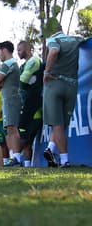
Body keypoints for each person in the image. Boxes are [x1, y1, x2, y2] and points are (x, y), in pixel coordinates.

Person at [42, 27, 84, 168]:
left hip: (54, 84)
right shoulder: (76, 39)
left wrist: (46, 72)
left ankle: (64, 159)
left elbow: (54, 51)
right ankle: (51, 148)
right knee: (63, 123)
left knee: (57, 124)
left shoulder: (53, 40)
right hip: (71, 85)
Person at [0, 41, 24, 167]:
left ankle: (16, 157)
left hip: (11, 99)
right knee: (9, 129)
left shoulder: (8, 64)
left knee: (12, 128)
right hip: (9, 99)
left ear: (4, 50)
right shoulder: (11, 64)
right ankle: (13, 157)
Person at [17, 40, 44, 167]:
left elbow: (21, 83)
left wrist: (23, 84)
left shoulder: (34, 61)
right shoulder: (22, 65)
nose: (18, 53)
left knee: (24, 134)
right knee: (27, 140)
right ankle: (27, 166)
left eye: (20, 50)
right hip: (26, 104)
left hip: (35, 106)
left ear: (27, 50)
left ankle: (15, 156)